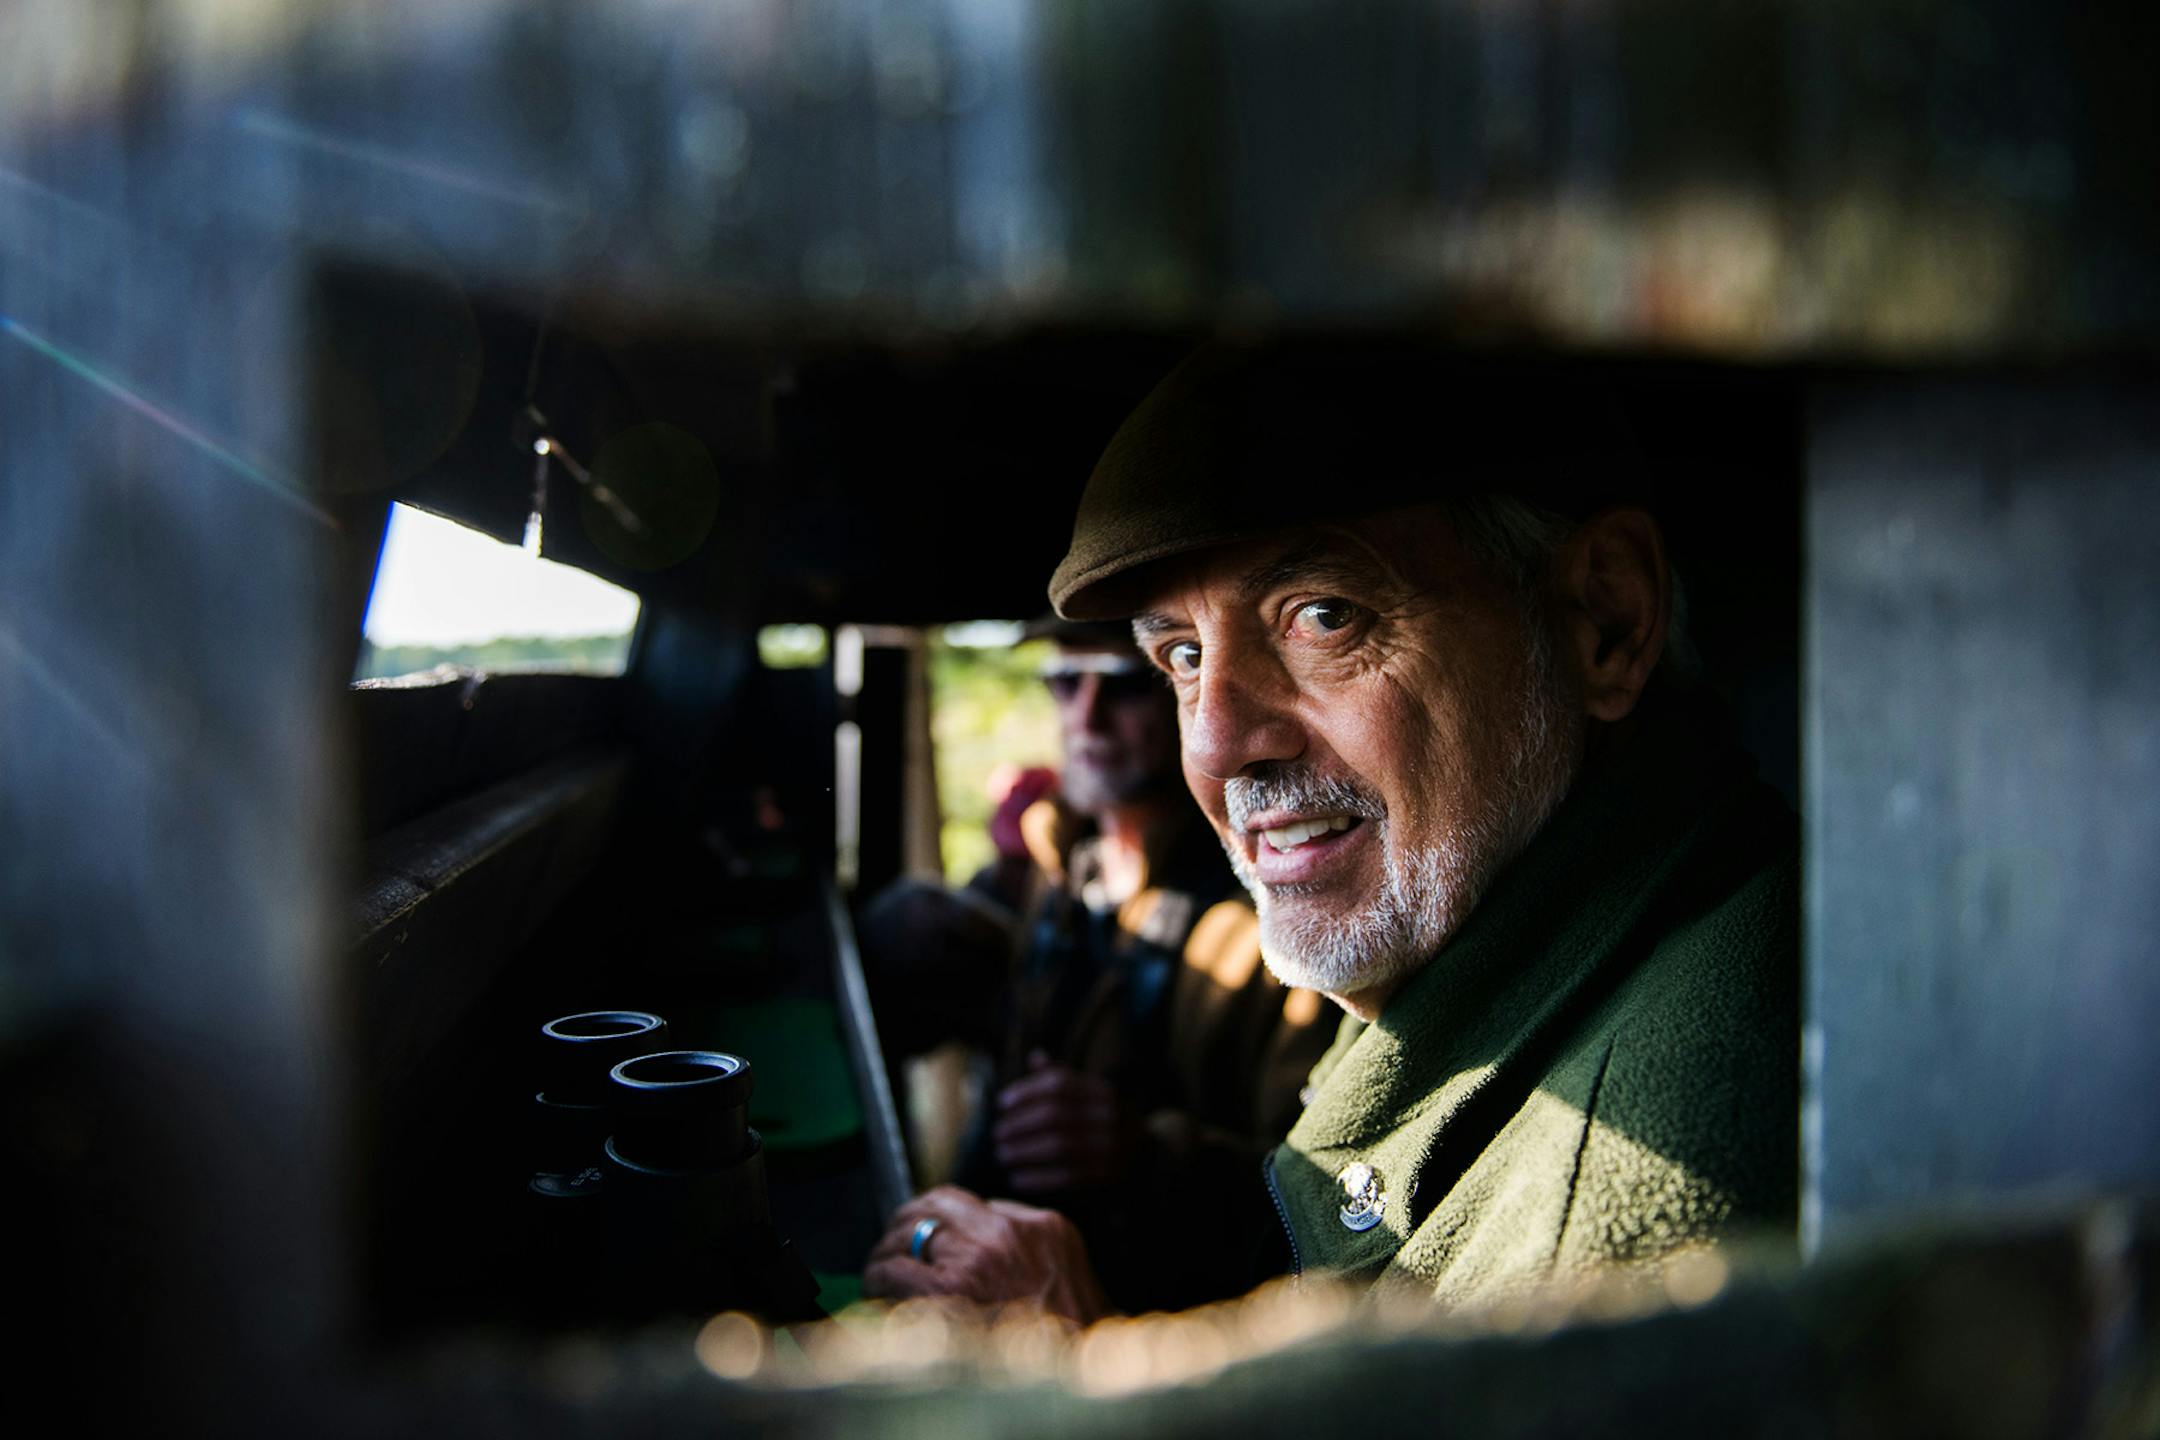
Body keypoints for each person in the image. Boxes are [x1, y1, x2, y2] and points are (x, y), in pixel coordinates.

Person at [863, 344, 1798, 1319]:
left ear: (1605, 619)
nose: (1218, 745)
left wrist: (1069, 1381)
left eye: (1323, 616)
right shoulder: (1486, 951)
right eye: (1181, 655)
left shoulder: (1651, 1164)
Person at [857, 615, 1334, 1311]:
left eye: (1124, 685)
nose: (1086, 715)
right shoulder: (1056, 863)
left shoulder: (1279, 915)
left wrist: (1144, 1154)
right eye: (1063, 682)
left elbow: (1323, 1207)